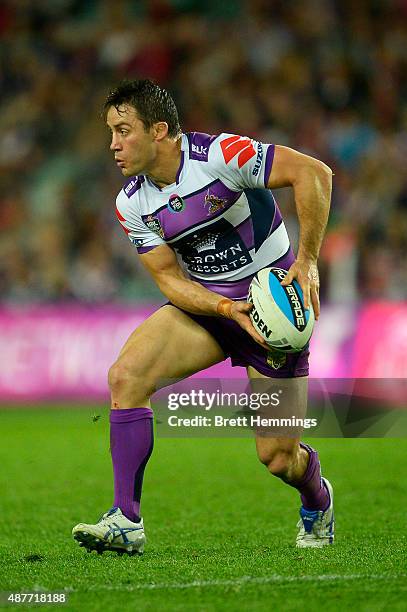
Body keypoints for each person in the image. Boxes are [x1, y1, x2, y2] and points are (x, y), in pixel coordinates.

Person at [72, 79, 333, 555]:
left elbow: (314, 173)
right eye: (110, 132)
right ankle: (126, 519)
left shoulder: (220, 155)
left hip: (272, 311)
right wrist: (222, 307)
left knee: (278, 460)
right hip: (212, 308)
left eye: (122, 130)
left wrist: (309, 260)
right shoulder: (132, 202)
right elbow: (168, 279)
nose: (112, 144)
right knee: (126, 376)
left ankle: (317, 497)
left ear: (159, 130)